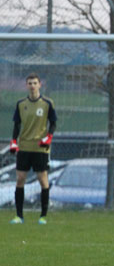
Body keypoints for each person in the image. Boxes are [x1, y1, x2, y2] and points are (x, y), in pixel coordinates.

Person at [9, 73, 57, 225]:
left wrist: (49, 137)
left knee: (42, 180)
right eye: (29, 83)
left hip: (40, 148)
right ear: (26, 85)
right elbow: (16, 125)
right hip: (24, 147)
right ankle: (19, 216)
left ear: (39, 85)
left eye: (34, 83)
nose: (32, 85)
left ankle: (43, 216)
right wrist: (13, 141)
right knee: (20, 179)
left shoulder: (47, 103)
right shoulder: (21, 104)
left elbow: (53, 122)